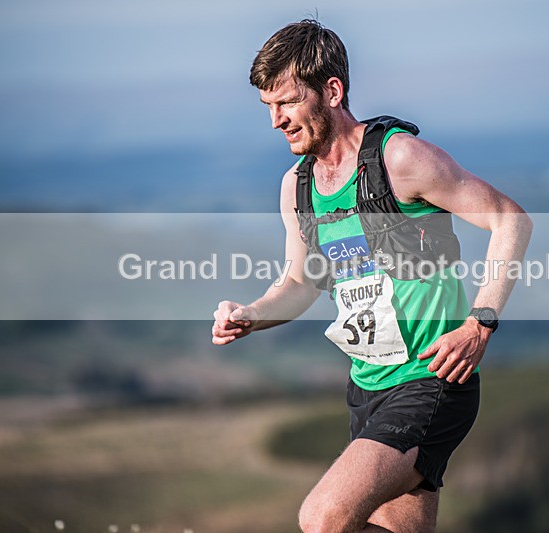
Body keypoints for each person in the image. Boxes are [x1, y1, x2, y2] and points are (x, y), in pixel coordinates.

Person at [212, 19, 532, 533]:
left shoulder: (399, 158)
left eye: (288, 102)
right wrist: (251, 314)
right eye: (268, 106)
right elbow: (299, 284)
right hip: (365, 388)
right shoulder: (296, 187)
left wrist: (480, 323)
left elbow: (509, 220)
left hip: (430, 381)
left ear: (332, 91)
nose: (276, 120)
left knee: (323, 518)